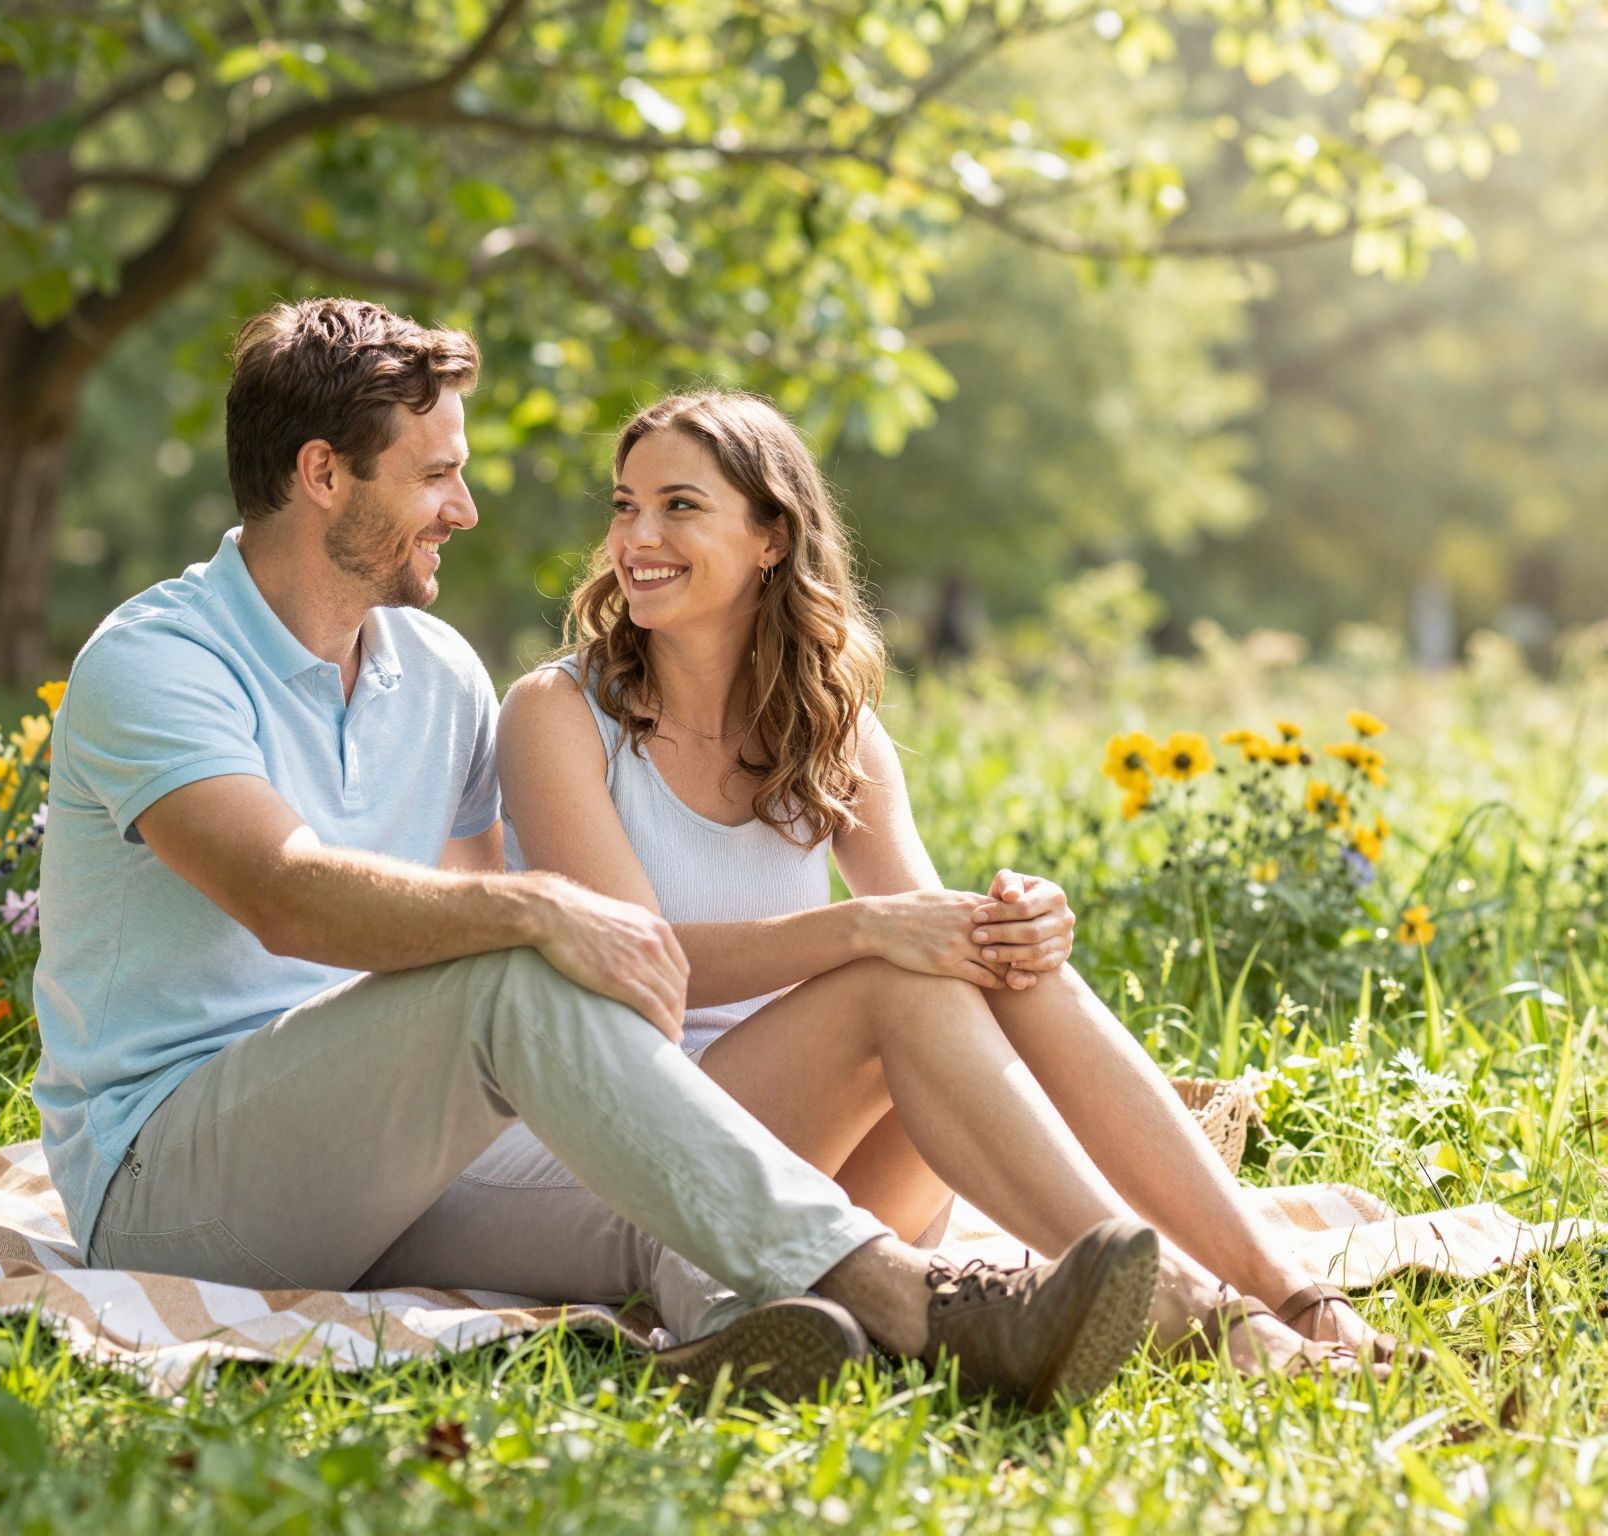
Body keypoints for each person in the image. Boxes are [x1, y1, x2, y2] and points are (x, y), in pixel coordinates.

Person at [32, 298, 1161, 1408]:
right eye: (434, 475)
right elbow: (283, 894)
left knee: (650, 1173)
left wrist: (563, 1029)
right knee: (518, 967)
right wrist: (539, 914)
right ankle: (912, 1300)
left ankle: (734, 1333)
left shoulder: (429, 672)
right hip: (171, 1179)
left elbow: (460, 919)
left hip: (383, 1155)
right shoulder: (158, 661)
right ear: (323, 474)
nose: (463, 508)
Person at [486, 389, 1404, 1376]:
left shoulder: (831, 725)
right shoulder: (558, 713)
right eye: (624, 506)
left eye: (677, 505)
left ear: (768, 537)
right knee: (897, 976)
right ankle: (1192, 1313)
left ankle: (1290, 1297)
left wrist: (1014, 925)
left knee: (990, 966)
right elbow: (640, 969)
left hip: (832, 1174)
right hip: (647, 1145)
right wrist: (868, 930)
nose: (636, 536)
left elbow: (937, 945)